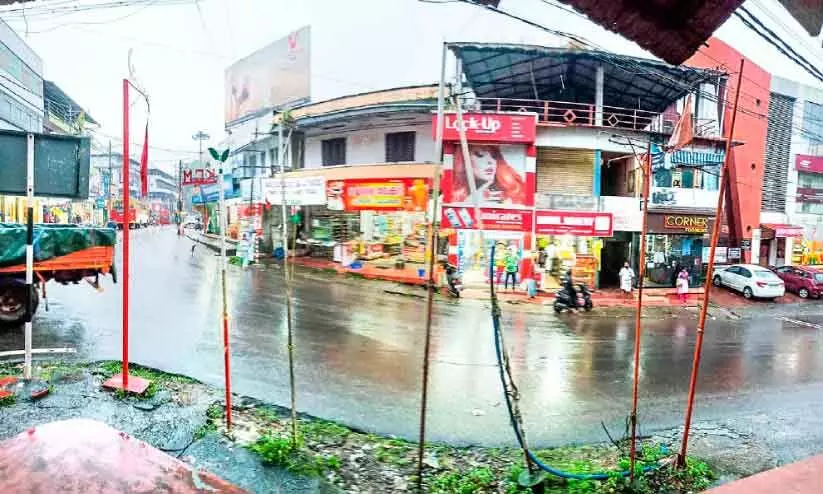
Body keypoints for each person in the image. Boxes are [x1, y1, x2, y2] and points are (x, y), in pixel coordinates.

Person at [452, 145, 527, 205]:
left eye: (494, 156)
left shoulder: (509, 195)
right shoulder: (455, 196)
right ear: (464, 160)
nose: (490, 161)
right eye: (480, 155)